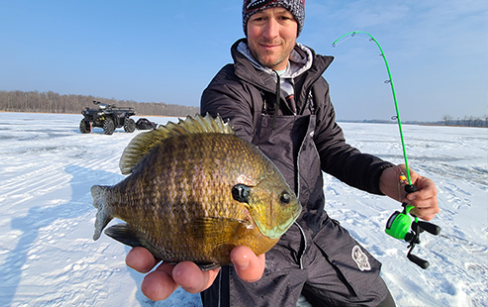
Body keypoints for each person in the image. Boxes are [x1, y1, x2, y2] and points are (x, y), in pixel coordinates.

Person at [126, 1, 440, 306]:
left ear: (298, 25)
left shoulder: (315, 86)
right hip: (250, 234)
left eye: (284, 18)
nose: (271, 32)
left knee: (377, 300)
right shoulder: (228, 88)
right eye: (259, 18)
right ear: (246, 25)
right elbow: (230, 148)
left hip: (313, 226)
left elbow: (331, 147)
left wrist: (385, 178)